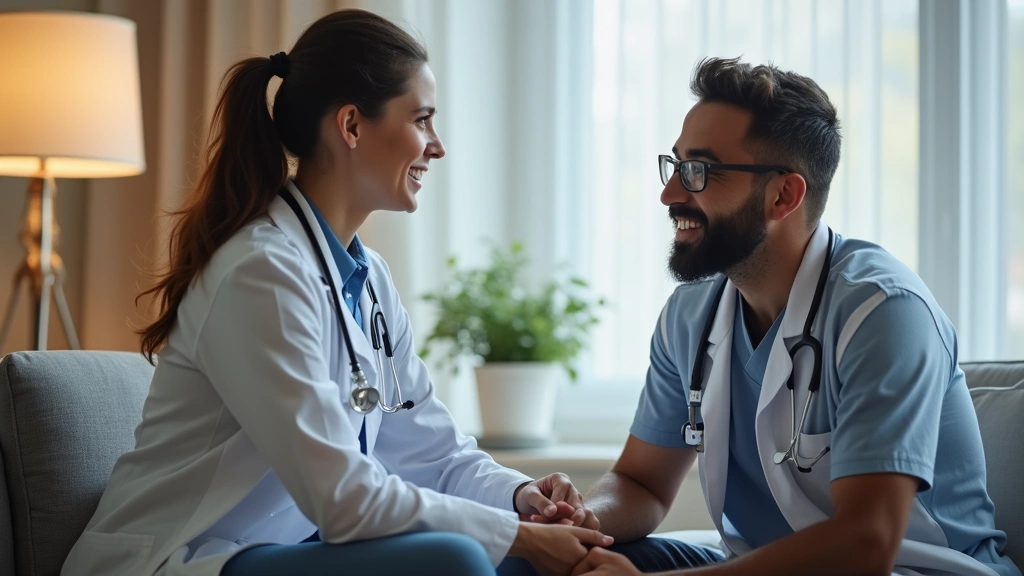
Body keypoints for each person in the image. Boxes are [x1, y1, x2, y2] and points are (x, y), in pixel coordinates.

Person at [61, 9, 611, 576]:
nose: (437, 146)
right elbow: (344, 498)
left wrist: (523, 498)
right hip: (186, 556)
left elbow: (432, 451)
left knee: (519, 564)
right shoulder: (262, 273)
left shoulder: (367, 276)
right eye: (422, 120)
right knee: (457, 559)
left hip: (282, 551)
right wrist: (515, 536)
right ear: (350, 126)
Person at [568, 58, 1022, 576]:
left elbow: (866, 544)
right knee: (551, 565)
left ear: (784, 194)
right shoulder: (690, 317)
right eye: (673, 167)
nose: (670, 194)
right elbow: (642, 485)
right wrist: (580, 517)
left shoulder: (883, 312)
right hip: (754, 565)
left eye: (698, 171)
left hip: (918, 570)